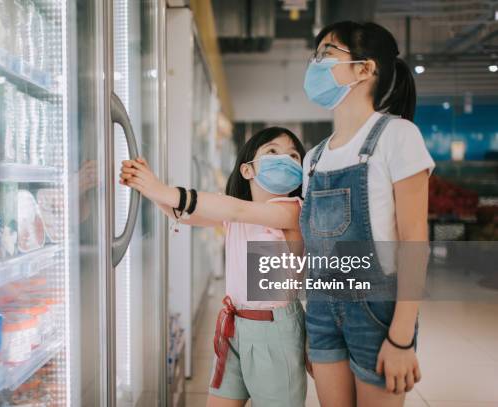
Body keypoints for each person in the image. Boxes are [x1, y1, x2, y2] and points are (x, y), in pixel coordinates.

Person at [119, 127, 309, 407]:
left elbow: (234, 208)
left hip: (274, 333)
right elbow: (182, 214)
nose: (286, 159)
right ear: (247, 170)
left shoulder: (293, 209)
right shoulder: (236, 212)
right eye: (273, 151)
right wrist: (148, 185)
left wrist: (160, 189)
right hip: (234, 326)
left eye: (294, 156)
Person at [300, 21, 435, 406]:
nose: (316, 63)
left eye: (327, 53)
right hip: (322, 307)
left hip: (376, 313)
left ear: (364, 68)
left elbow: (414, 241)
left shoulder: (398, 136)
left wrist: (402, 337)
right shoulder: (314, 157)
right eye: (317, 54)